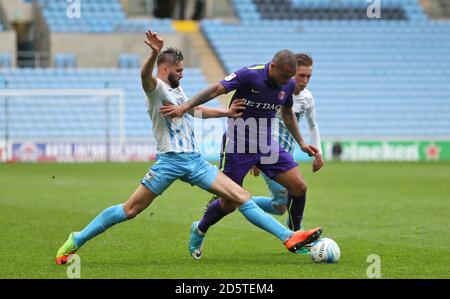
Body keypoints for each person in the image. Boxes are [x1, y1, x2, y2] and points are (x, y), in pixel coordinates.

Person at [55, 30, 322, 264]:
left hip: (194, 162)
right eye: (178, 70)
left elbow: (195, 111)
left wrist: (226, 114)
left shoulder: (178, 92)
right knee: (131, 210)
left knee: (240, 197)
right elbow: (143, 77)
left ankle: (288, 237)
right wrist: (154, 53)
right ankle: (76, 238)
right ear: (164, 69)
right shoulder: (156, 88)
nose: (182, 74)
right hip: (169, 162)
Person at [160, 49, 323, 259]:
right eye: (282, 77)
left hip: (266, 145)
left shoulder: (288, 84)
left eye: (288, 79)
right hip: (237, 146)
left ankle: (296, 236)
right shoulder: (249, 74)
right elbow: (215, 89)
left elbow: (287, 112)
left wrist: (301, 142)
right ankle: (199, 228)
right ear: (271, 66)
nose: (285, 83)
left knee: (299, 187)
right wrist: (185, 106)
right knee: (229, 204)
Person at [250, 53, 324, 254]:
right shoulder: (277, 90)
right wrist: (255, 157)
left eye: (309, 76)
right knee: (294, 191)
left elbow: (312, 124)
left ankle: (231, 198)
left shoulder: (307, 98)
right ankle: (296, 235)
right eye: (301, 75)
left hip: (286, 154)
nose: (305, 80)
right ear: (291, 73)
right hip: (267, 150)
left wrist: (319, 152)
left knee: (280, 206)